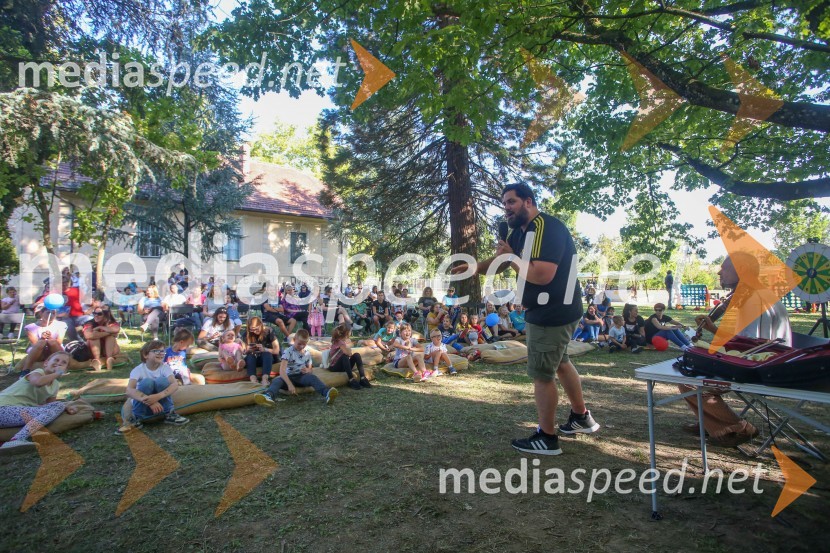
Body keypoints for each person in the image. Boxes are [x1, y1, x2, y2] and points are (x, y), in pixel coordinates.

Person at [452, 182, 599, 455]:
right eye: (504, 203)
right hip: (551, 309)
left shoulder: (545, 228)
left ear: (528, 202)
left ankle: (547, 437)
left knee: (542, 375)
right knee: (561, 362)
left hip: (551, 312)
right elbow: (506, 262)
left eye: (511, 202)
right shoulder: (520, 233)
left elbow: (542, 275)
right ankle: (581, 417)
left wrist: (510, 255)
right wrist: (474, 268)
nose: (506, 208)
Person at [681, 254, 791, 447]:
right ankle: (710, 423)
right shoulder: (754, 294)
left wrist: (713, 331)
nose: (719, 272)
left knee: (690, 382)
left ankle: (738, 428)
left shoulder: (754, 300)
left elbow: (750, 346)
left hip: (763, 369)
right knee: (690, 373)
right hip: (765, 363)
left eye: (725, 268)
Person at [0, 351, 77, 454]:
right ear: (46, 363)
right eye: (56, 360)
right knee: (58, 406)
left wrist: (65, 406)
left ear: (65, 369)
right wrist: (57, 373)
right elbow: (38, 382)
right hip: (3, 408)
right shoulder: (38, 372)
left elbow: (49, 407)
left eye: (63, 363)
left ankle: (16, 440)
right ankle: (16, 439)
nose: (59, 363)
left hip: (15, 412)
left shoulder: (55, 385)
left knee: (57, 406)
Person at [255, 329, 338, 406]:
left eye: (304, 344)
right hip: (288, 377)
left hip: (301, 377)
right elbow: (282, 371)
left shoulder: (307, 353)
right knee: (277, 380)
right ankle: (268, 396)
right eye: (299, 344)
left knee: (313, 378)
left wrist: (308, 370)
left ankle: (327, 393)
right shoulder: (288, 351)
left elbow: (310, 368)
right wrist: (289, 384)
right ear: (294, 340)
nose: (301, 346)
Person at [121, 340, 189, 431]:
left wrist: (158, 396)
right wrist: (149, 400)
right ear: (146, 355)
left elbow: (174, 384)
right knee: (147, 382)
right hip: (144, 406)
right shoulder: (138, 370)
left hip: (161, 405)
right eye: (156, 351)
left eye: (162, 351)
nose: (161, 353)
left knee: (162, 381)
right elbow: (129, 390)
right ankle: (137, 418)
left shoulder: (165, 367)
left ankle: (169, 413)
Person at [21, 305, 68, 372]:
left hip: (55, 350)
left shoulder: (61, 325)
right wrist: (42, 338)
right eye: (48, 313)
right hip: (39, 353)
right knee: (41, 342)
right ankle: (25, 370)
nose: (51, 315)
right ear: (41, 313)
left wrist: (50, 337)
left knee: (52, 342)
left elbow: (59, 342)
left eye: (53, 313)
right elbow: (35, 344)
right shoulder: (30, 327)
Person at [327, 324, 372, 389]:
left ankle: (362, 378)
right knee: (344, 356)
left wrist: (348, 349)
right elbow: (348, 353)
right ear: (347, 333)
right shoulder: (340, 342)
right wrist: (348, 349)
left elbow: (349, 352)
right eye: (350, 331)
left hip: (342, 366)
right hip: (334, 367)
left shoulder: (340, 341)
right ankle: (351, 380)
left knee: (357, 355)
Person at [240, 316, 280, 386]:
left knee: (266, 354)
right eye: (252, 330)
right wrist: (247, 350)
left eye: (256, 329)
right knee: (250, 355)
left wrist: (265, 349)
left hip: (268, 359)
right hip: (254, 359)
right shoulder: (247, 334)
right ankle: (253, 379)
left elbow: (277, 350)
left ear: (261, 324)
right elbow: (242, 352)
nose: (254, 332)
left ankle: (265, 379)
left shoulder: (269, 331)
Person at [82, 305, 121, 371]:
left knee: (110, 338)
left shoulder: (111, 323)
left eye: (99, 314)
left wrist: (100, 328)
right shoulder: (89, 323)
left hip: (109, 350)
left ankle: (109, 359)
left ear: (106, 315)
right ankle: (97, 361)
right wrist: (108, 332)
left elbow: (116, 329)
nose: (96, 316)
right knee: (94, 338)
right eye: (94, 313)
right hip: (93, 349)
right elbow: (88, 335)